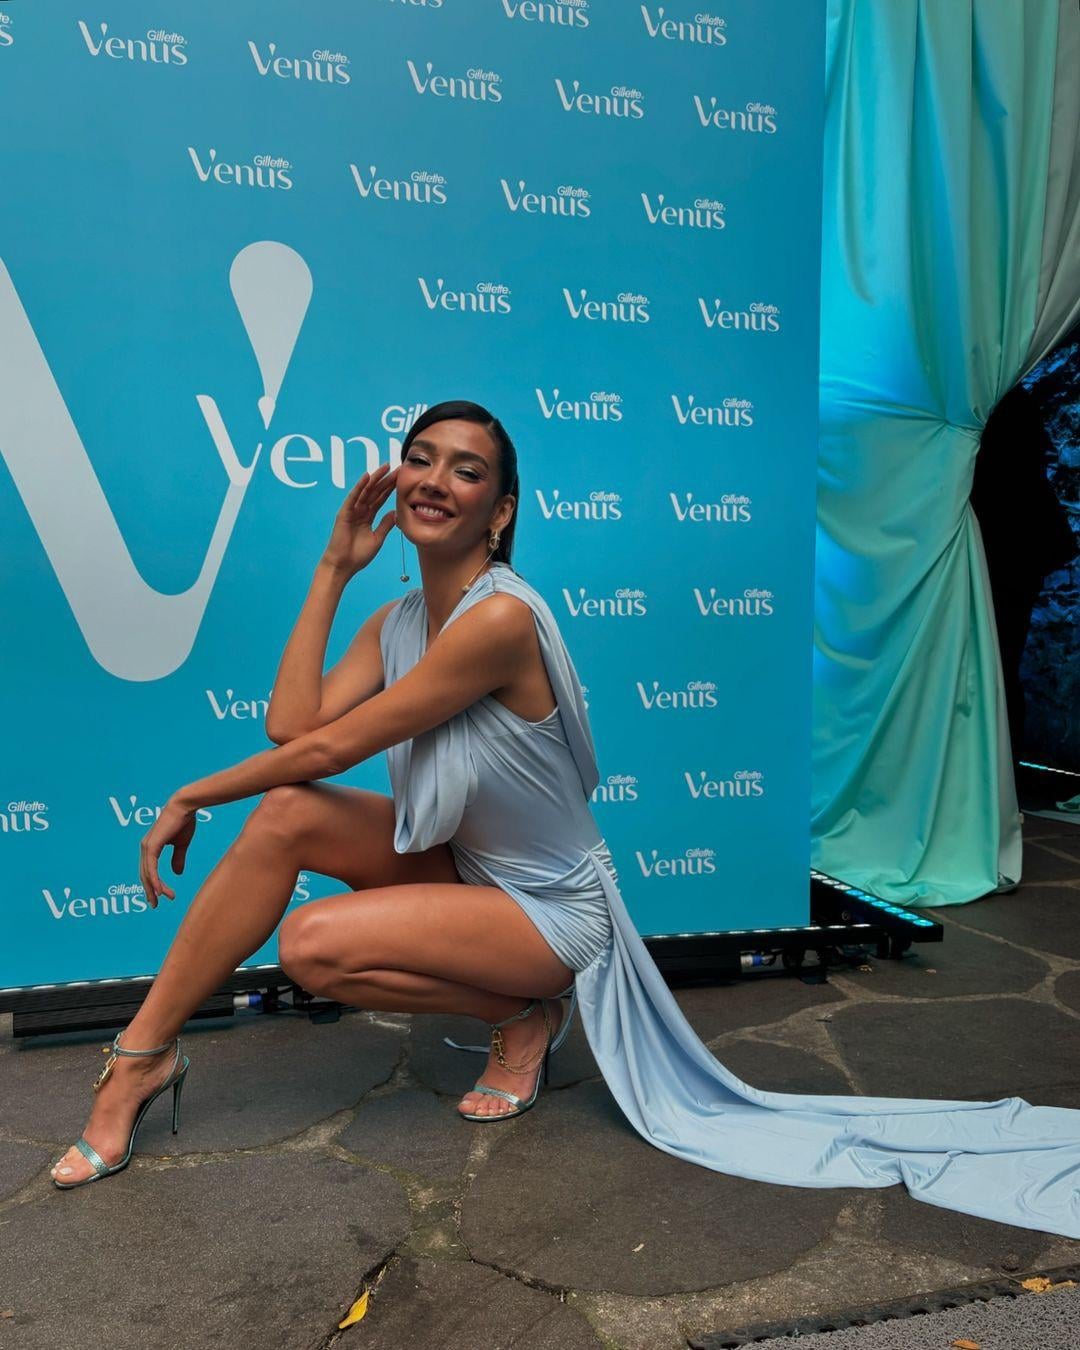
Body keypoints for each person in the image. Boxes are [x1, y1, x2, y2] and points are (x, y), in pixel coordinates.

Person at [49, 403, 1080, 1245]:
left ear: (499, 513)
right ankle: (142, 1058)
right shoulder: (396, 619)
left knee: (312, 945)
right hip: (464, 865)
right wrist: (332, 569)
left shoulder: (498, 619)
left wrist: (191, 793)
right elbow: (292, 729)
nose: (434, 479)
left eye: (466, 471)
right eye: (420, 459)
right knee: (283, 815)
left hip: (549, 907)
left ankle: (530, 1008)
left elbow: (333, 748)